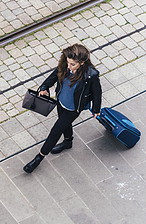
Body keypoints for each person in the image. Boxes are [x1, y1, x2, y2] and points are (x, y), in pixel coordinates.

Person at [23, 44, 102, 173]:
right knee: (64, 124)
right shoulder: (65, 65)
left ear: (82, 63)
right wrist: (44, 88)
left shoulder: (90, 75)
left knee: (55, 131)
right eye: (68, 62)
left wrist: (96, 109)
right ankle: (68, 141)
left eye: (72, 64)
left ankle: (39, 157)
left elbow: (97, 93)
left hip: (73, 108)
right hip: (61, 102)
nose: (69, 66)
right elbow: (53, 76)